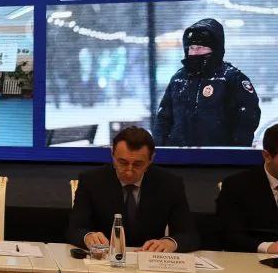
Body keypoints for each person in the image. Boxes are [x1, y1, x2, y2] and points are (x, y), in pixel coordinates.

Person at [67, 126, 198, 252]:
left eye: (138, 164)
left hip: (148, 258)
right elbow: (74, 229)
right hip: (104, 257)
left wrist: (170, 243)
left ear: (151, 159)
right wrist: (88, 237)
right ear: (112, 155)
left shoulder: (170, 184)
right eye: (122, 163)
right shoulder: (91, 180)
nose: (129, 172)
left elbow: (189, 235)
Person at [153, 18, 260, 147]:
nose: (195, 52)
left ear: (215, 49)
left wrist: (235, 151)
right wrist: (160, 150)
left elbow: (248, 118)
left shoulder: (232, 78)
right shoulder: (178, 79)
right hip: (178, 155)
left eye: (200, 47)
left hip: (220, 156)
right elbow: (163, 118)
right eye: (191, 48)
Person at [216, 123, 278, 254]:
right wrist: (267, 247)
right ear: (267, 156)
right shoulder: (237, 185)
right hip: (254, 261)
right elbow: (229, 235)